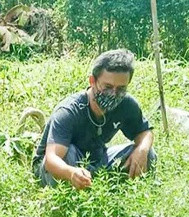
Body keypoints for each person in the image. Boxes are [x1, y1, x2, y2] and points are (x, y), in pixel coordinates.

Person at [33, 49, 157, 190]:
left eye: (121, 88)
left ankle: (125, 197)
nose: (114, 94)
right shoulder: (69, 111)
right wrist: (72, 173)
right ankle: (71, 201)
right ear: (92, 81)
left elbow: (145, 132)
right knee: (68, 154)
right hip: (57, 166)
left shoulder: (126, 104)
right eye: (108, 87)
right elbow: (52, 159)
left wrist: (142, 149)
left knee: (148, 154)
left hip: (97, 158)